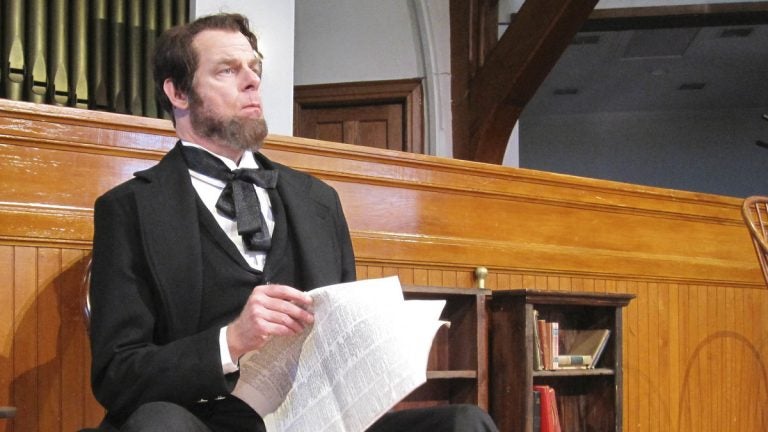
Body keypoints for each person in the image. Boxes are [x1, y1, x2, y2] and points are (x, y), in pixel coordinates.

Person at [89, 12, 498, 432]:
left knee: (464, 423)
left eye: (254, 68)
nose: (252, 81)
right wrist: (229, 342)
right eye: (228, 70)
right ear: (177, 93)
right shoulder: (130, 209)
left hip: (311, 420)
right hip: (199, 418)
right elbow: (117, 374)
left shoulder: (318, 200)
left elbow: (342, 341)